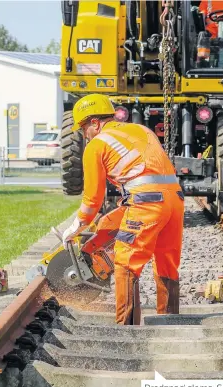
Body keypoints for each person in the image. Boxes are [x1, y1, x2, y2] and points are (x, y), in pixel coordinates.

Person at [61, 94, 185, 325]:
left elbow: (92, 199)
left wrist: (76, 226)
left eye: (84, 128)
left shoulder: (97, 145)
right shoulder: (141, 130)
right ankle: (170, 323)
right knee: (167, 262)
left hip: (146, 203)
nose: (84, 134)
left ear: (95, 123)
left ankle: (126, 331)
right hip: (175, 200)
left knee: (127, 262)